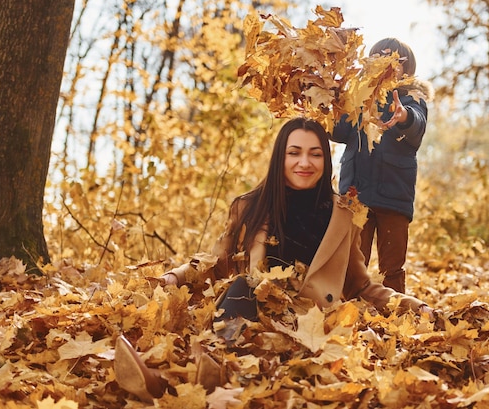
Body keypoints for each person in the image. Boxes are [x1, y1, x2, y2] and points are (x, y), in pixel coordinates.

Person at [114, 117, 434, 402]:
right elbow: (217, 259)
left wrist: (412, 306)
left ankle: (163, 388)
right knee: (242, 286)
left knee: (243, 331)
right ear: (280, 156)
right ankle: (183, 381)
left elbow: (361, 286)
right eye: (294, 152)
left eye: (315, 153)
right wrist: (175, 276)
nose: (304, 162)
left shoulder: (344, 215)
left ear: (326, 159)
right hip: (250, 317)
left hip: (308, 330)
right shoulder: (249, 206)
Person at [331, 37, 433, 293]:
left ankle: (398, 310)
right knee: (354, 260)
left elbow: (417, 125)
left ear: (407, 68)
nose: (389, 63)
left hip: (394, 194)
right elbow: (340, 131)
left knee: (393, 265)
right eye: (381, 56)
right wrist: (330, 104)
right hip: (356, 193)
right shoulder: (358, 96)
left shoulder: (412, 97)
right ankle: (351, 307)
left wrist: (404, 116)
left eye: (397, 59)